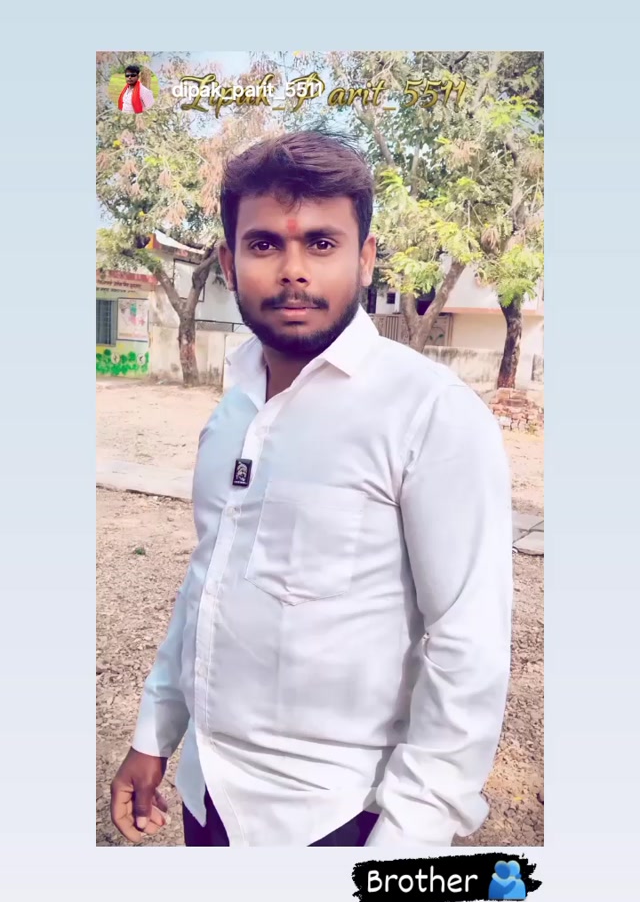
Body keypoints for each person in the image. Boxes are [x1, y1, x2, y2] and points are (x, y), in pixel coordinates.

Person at [110, 130, 513, 848]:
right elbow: (207, 585)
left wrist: (409, 836)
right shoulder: (233, 413)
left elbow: (468, 640)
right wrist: (155, 733)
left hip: (338, 817)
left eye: (322, 244)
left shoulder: (429, 412)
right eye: (264, 244)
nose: (293, 271)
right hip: (208, 797)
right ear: (229, 262)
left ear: (365, 257)